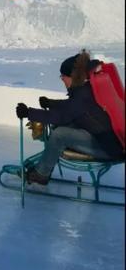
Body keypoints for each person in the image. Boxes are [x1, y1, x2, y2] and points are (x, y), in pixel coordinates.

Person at [15, 51, 124, 186]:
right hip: (109, 142)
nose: (61, 78)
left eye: (63, 76)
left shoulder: (82, 95)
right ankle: (46, 165)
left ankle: (41, 174)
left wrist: (28, 113)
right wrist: (51, 103)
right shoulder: (88, 87)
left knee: (60, 134)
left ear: (73, 77)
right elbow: (71, 107)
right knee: (65, 126)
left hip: (107, 149)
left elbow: (61, 116)